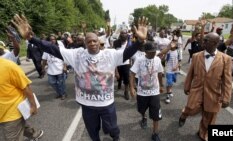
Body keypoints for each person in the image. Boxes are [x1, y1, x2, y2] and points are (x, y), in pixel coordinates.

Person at [12, 14, 148, 141]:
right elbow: (52, 49)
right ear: (85, 44)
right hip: (87, 105)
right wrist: (31, 39)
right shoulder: (77, 55)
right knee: (93, 131)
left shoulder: (110, 54)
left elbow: (127, 53)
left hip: (106, 104)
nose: (93, 43)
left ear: (99, 42)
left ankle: (115, 137)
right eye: (89, 42)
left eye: (95, 41)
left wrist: (139, 41)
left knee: (112, 128)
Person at [178, 33, 232, 141]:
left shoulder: (226, 59)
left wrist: (226, 98)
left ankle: (203, 134)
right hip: (197, 89)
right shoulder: (196, 56)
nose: (203, 42)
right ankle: (184, 115)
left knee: (210, 116)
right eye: (204, 40)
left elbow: (227, 80)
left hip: (214, 92)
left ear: (215, 43)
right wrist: (187, 86)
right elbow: (190, 73)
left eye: (206, 40)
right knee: (191, 108)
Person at [0, 58, 44, 141]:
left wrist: (33, 105)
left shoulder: (8, 66)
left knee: (12, 136)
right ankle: (35, 134)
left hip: (11, 112)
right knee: (20, 125)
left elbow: (25, 87)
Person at [129, 41, 164, 141]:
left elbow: (160, 73)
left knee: (156, 114)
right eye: (151, 52)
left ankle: (155, 133)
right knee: (142, 110)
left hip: (154, 92)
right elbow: (132, 73)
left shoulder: (157, 59)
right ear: (145, 52)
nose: (153, 54)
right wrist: (132, 88)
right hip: (142, 92)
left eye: (154, 51)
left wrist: (161, 85)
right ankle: (144, 117)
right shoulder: (139, 60)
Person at [42, 34, 67, 100]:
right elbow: (44, 60)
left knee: (60, 83)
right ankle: (59, 92)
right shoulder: (46, 50)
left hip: (60, 69)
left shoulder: (60, 49)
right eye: (51, 40)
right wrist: (43, 68)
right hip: (51, 71)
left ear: (55, 40)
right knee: (51, 82)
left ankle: (62, 94)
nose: (52, 41)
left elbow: (65, 58)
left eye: (54, 39)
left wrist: (64, 67)